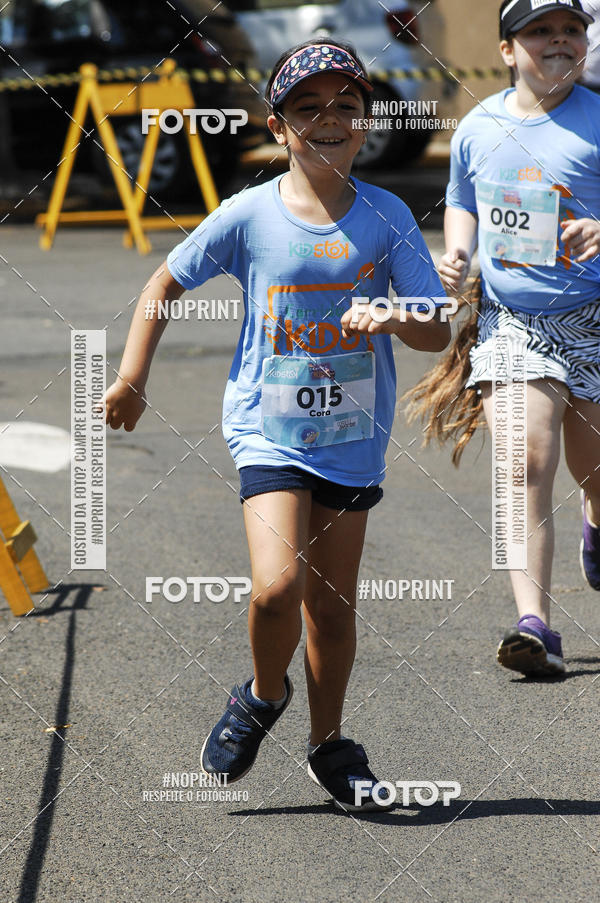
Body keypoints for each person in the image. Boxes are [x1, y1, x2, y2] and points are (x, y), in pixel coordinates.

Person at [102, 39, 450, 811]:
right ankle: (262, 693)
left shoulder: (389, 216)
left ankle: (330, 745)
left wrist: (397, 314)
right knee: (276, 589)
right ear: (278, 124)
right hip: (268, 427)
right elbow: (164, 280)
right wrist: (132, 376)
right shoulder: (249, 214)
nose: (329, 118)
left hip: (354, 437)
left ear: (366, 120)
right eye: (307, 107)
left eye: (346, 105)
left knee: (329, 604)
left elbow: (438, 328)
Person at [405, 0, 600, 679]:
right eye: (540, 31)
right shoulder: (479, 127)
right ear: (508, 50)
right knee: (525, 463)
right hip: (514, 319)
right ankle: (535, 625)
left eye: (570, 29)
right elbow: (463, 195)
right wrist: (456, 253)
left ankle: (595, 526)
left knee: (594, 470)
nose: (558, 41)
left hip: (596, 315)